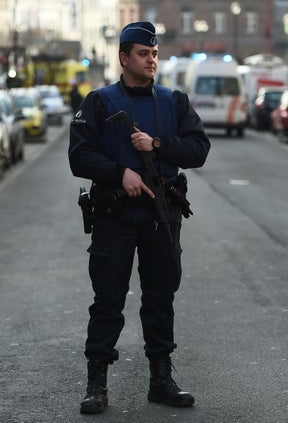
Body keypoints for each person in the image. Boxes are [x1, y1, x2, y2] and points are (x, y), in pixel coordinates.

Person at [68, 21, 211, 414]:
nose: (151, 60)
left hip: (159, 217)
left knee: (161, 297)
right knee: (108, 300)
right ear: (124, 58)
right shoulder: (99, 102)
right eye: (144, 54)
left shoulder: (173, 101)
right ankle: (96, 385)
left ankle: (161, 381)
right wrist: (120, 173)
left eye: (154, 54)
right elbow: (78, 156)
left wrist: (158, 144)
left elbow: (198, 149)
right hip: (114, 216)